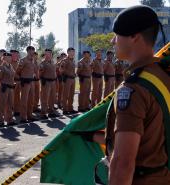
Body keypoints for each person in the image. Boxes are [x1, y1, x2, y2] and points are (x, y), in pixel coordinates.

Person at [94, 5, 170, 185]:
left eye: (117, 35)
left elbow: (123, 163)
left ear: (134, 36)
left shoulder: (133, 90)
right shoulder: (163, 75)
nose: (113, 41)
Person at [0, 52, 16, 126]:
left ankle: (9, 120)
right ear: (4, 58)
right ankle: (0, 121)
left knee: (10, 105)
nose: (10, 58)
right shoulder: (1, 67)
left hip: (10, 88)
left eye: (10, 57)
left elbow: (12, 76)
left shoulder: (10, 66)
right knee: (2, 105)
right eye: (8, 57)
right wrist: (2, 85)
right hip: (4, 88)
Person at [18, 46, 36, 123]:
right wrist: (22, 79)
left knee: (31, 100)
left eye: (33, 51)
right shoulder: (23, 60)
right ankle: (23, 117)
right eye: (31, 51)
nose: (33, 52)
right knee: (24, 100)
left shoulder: (33, 60)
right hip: (25, 82)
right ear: (28, 51)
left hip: (31, 82)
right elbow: (18, 71)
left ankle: (30, 115)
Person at [39, 49, 57, 119]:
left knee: (52, 97)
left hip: (53, 82)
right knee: (45, 98)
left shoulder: (52, 62)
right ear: (45, 54)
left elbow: (54, 72)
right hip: (46, 82)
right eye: (47, 54)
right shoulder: (42, 63)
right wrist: (42, 79)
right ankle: (43, 113)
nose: (48, 55)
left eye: (50, 53)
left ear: (51, 55)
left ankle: (51, 111)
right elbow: (40, 73)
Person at [60, 48, 77, 115]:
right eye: (71, 52)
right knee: (65, 95)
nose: (73, 53)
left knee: (71, 95)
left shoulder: (73, 60)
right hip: (67, 79)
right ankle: (65, 109)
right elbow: (61, 70)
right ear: (68, 52)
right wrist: (64, 76)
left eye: (73, 52)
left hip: (73, 79)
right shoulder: (65, 61)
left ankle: (70, 108)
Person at [10, 50, 21, 117]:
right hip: (11, 83)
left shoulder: (18, 62)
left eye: (17, 54)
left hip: (18, 82)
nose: (16, 56)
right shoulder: (9, 63)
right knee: (11, 98)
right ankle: (10, 111)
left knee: (17, 97)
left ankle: (17, 110)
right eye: (14, 55)